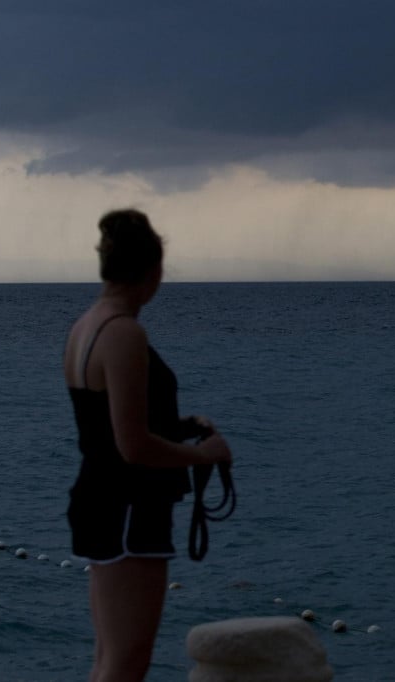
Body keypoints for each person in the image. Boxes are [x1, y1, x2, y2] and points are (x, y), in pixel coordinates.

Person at [63, 209, 232, 682]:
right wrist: (205, 454)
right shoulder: (124, 332)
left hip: (102, 500)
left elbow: (107, 425)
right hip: (128, 510)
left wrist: (178, 426)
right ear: (154, 271)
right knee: (128, 659)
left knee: (110, 657)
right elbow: (132, 446)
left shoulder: (86, 326)